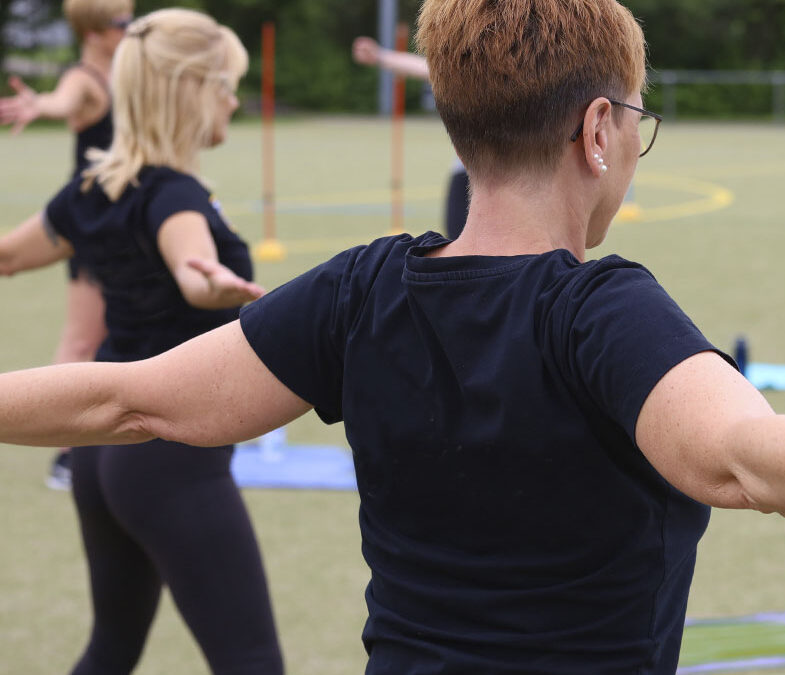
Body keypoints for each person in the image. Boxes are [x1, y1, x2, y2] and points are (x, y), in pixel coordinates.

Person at [2, 1, 785, 673]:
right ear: (598, 131)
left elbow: (122, 397)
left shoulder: (358, 291)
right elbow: (740, 459)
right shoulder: (601, 311)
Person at [0, 9, 283, 674]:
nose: (234, 100)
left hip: (101, 460)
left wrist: (201, 277)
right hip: (167, 459)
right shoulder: (176, 196)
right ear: (192, 91)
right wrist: (206, 281)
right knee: (252, 663)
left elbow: (7, 255)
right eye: (226, 85)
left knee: (111, 648)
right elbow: (188, 263)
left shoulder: (91, 189)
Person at [0, 0, 133, 489]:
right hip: (88, 215)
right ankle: (66, 458)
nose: (129, 28)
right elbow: (63, 99)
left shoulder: (128, 67)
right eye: (121, 23)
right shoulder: (84, 79)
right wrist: (41, 105)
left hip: (122, 217)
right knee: (82, 340)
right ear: (93, 32)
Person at [352, 35, 471, 239]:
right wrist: (380, 55)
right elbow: (422, 67)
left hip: (518, 175)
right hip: (467, 172)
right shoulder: (468, 72)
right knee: (457, 240)